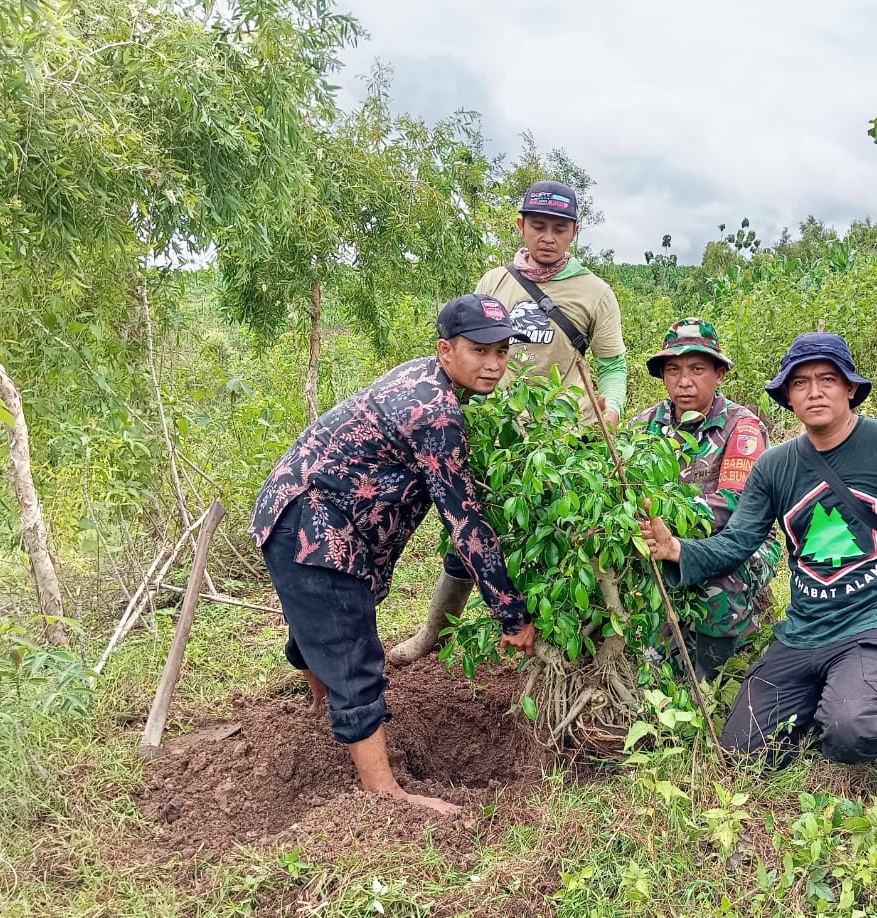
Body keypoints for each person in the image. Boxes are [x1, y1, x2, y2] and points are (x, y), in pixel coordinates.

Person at [249, 294, 536, 814]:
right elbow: (464, 520)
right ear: (446, 350)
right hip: (313, 524)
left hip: (300, 509)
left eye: (502, 351)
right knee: (349, 646)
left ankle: (325, 717)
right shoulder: (436, 413)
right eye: (480, 351)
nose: (494, 364)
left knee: (319, 628)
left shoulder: (428, 378)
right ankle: (384, 794)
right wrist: (511, 613)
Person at [641, 333, 877, 771]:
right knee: (743, 754)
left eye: (827, 379)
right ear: (787, 397)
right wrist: (677, 549)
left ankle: (867, 714)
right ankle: (831, 702)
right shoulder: (775, 466)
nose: (814, 392)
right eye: (800, 383)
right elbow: (737, 543)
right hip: (804, 631)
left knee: (854, 731)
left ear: (850, 387)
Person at [390, 180, 626, 665]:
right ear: (520, 225)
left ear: (575, 233)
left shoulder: (595, 292)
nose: (547, 237)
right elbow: (465, 351)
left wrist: (613, 408)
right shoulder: (495, 281)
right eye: (537, 226)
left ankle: (566, 642)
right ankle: (435, 630)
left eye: (559, 229)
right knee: (471, 529)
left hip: (567, 440)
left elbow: (613, 364)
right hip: (496, 437)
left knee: (564, 537)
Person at [632, 319, 782, 681]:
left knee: (720, 581)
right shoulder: (643, 426)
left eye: (697, 369)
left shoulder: (741, 427)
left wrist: (666, 521)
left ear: (719, 374)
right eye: (673, 370)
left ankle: (715, 680)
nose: (684, 381)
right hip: (663, 541)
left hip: (738, 543)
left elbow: (733, 503)